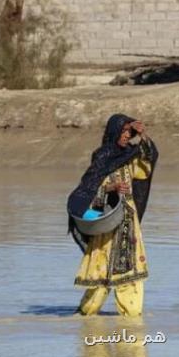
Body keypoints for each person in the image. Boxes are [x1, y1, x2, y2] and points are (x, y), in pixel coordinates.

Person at [67, 114, 159, 316]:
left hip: (128, 221)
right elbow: (90, 188)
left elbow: (147, 164)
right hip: (107, 222)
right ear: (114, 131)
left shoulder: (131, 155)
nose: (127, 135)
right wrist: (112, 187)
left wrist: (143, 136)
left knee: (130, 272)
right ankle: (86, 314)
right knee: (101, 272)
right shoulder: (101, 156)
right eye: (124, 131)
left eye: (130, 131)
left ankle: (132, 318)